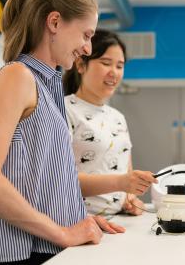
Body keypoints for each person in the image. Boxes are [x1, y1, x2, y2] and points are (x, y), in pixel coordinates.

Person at [0, 0, 156, 264]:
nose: (88, 48)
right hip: (26, 255)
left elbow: (43, 181)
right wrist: (63, 233)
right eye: (86, 35)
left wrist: (76, 218)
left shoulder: (47, 86)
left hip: (47, 249)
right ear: (54, 22)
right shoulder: (17, 76)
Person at [63, 29, 150, 216]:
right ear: (80, 64)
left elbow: (125, 171)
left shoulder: (118, 117)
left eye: (120, 66)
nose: (114, 72)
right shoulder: (64, 110)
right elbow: (60, 180)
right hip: (80, 222)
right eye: (105, 63)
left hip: (118, 222)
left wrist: (130, 198)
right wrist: (121, 183)